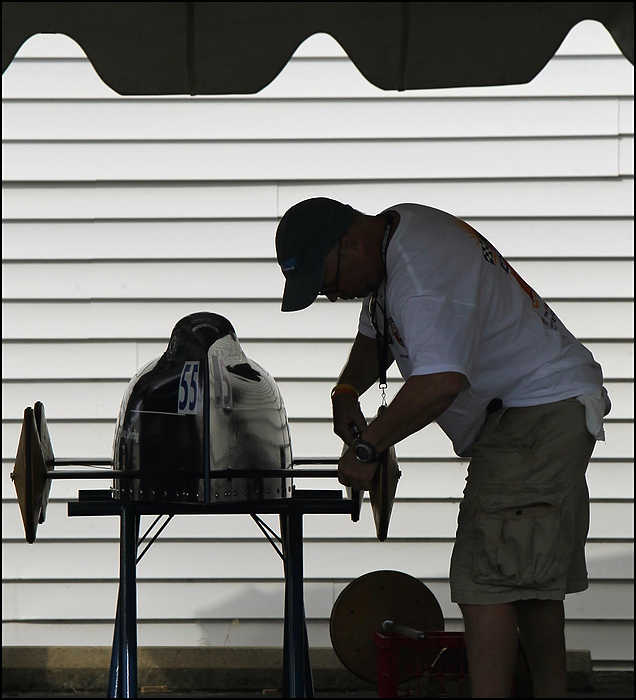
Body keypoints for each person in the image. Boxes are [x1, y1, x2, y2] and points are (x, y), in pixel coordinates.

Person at [275, 197, 611, 698]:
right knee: (530, 581)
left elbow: (440, 382)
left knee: (486, 583)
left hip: (534, 416)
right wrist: (347, 390)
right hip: (545, 409)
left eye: (327, 282)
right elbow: (375, 334)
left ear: (347, 241)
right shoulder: (396, 234)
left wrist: (368, 448)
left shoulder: (420, 272)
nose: (330, 295)